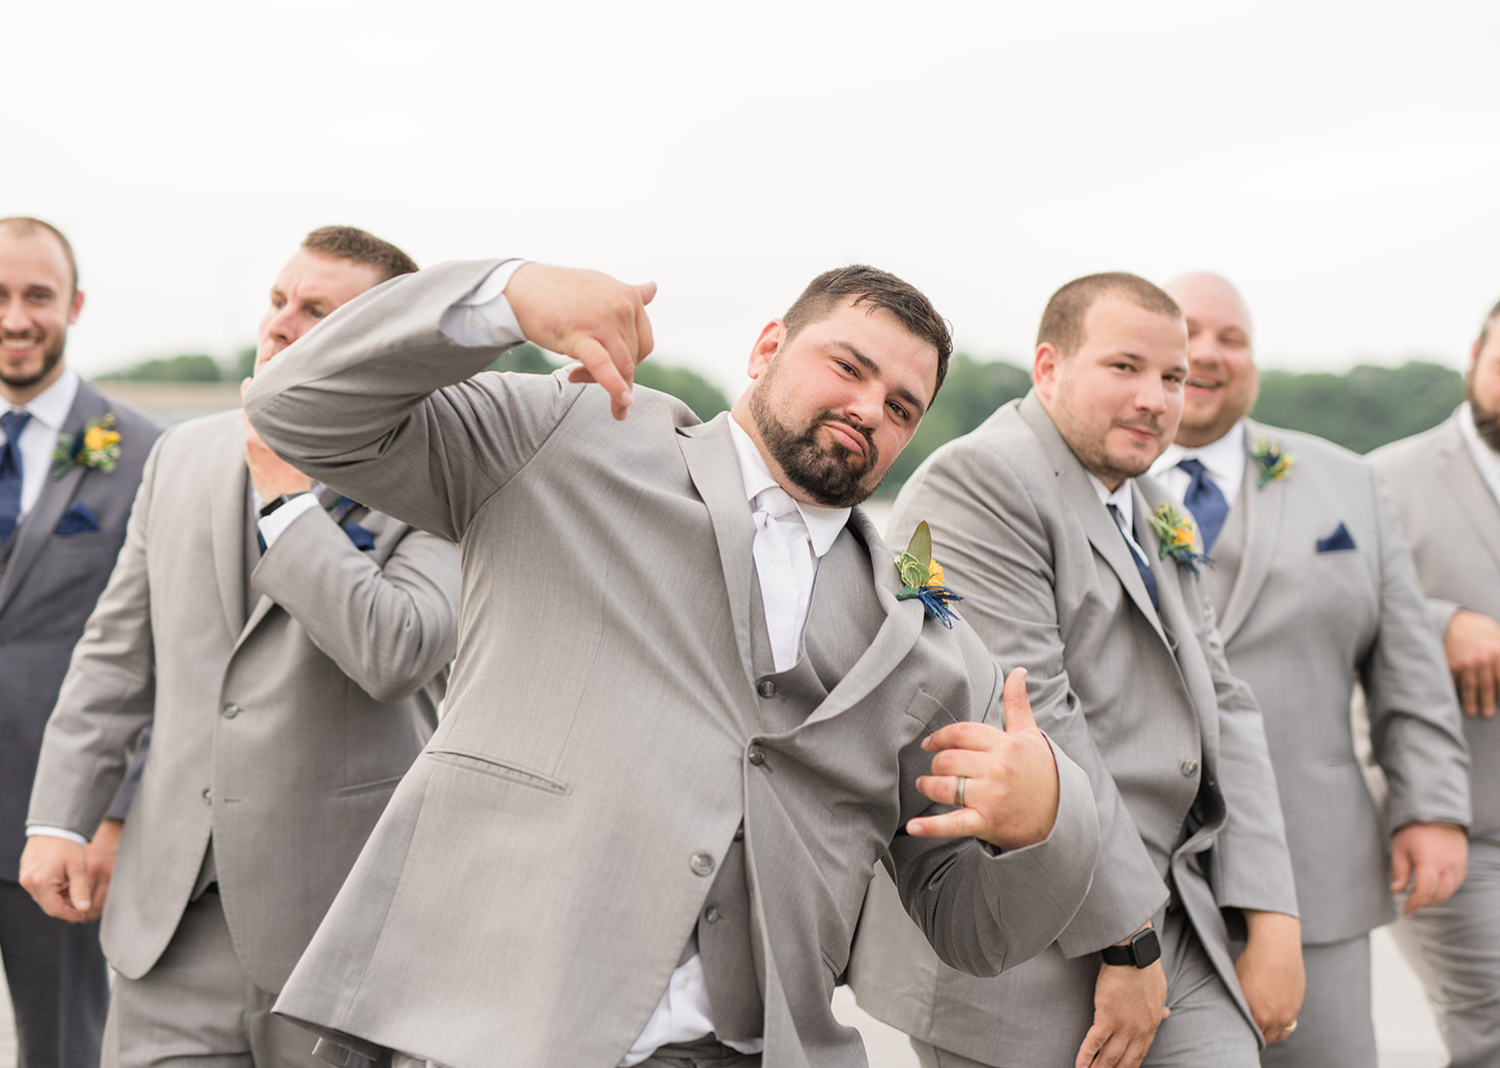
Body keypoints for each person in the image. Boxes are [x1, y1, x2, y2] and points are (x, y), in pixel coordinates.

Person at [242, 258, 1102, 1068]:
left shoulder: (925, 642)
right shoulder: (571, 433)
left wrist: (1045, 827)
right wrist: (503, 296)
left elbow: (970, 931)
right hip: (492, 1019)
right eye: (848, 366)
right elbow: (297, 407)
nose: (871, 407)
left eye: (902, 406)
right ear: (767, 348)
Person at [20, 226, 462, 1068]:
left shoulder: (450, 480)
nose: (281, 324)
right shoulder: (183, 454)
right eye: (278, 301)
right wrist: (61, 816)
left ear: (383, 343)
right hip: (170, 925)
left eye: (317, 311)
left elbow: (397, 652)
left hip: (341, 936)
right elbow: (117, 655)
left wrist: (287, 501)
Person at [850, 272, 1302, 1068]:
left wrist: (1271, 915)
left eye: (1172, 377)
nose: (1156, 400)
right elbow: (1036, 716)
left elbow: (1225, 702)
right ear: (1049, 368)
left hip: (1174, 907)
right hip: (1024, 940)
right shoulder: (981, 480)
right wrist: (1126, 946)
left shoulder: (1154, 499)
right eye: (1125, 367)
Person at [1144, 272, 1470, 1066]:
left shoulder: (1345, 481)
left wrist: (1431, 805)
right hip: (1144, 875)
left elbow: (1406, 661)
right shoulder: (1090, 485)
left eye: (1234, 337)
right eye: (1189, 335)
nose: (1211, 353)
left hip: (1315, 860)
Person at [0, 216, 161, 1068]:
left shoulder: (142, 453)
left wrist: (113, 811)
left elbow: (168, 652)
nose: (16, 318)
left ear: (75, 304)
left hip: (55, 821)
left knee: (65, 1047)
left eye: (37, 296)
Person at [1370, 296, 1500, 1068]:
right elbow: (1320, 615)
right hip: (1455, 829)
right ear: (1475, 360)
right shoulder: (1381, 479)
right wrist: (1439, 618)